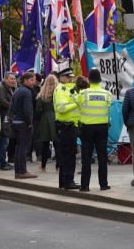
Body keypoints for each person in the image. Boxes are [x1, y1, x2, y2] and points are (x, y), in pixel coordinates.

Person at [76, 68, 112, 192]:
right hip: (102, 127)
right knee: (102, 156)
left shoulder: (83, 94)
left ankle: (85, 185)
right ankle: (103, 184)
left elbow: (79, 107)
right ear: (100, 80)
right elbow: (107, 109)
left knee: (86, 156)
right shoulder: (107, 94)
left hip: (87, 128)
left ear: (89, 80)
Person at [54, 62, 81, 190]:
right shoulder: (61, 90)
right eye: (68, 77)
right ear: (62, 78)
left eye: (71, 77)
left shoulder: (70, 89)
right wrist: (77, 103)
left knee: (68, 155)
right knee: (68, 156)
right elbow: (61, 108)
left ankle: (64, 181)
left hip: (72, 126)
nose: (71, 79)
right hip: (66, 126)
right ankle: (68, 181)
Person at [12, 72, 38, 179]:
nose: (34, 81)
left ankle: (18, 171)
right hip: (23, 123)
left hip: (16, 121)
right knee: (24, 147)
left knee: (18, 146)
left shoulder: (17, 90)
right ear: (25, 80)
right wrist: (29, 123)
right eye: (31, 80)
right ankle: (22, 171)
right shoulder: (27, 92)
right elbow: (27, 109)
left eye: (34, 79)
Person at [36, 74, 58, 172]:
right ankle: (58, 166)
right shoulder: (58, 92)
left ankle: (43, 165)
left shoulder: (42, 94)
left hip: (45, 118)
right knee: (57, 143)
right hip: (56, 117)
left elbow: (38, 109)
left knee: (45, 144)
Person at [0, 72, 16, 171]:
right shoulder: (0, 88)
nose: (14, 80)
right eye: (11, 79)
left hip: (7, 117)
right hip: (2, 118)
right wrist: (15, 106)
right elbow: (2, 102)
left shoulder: (10, 88)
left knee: (4, 141)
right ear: (5, 79)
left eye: (14, 79)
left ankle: (2, 161)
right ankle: (3, 163)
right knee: (3, 141)